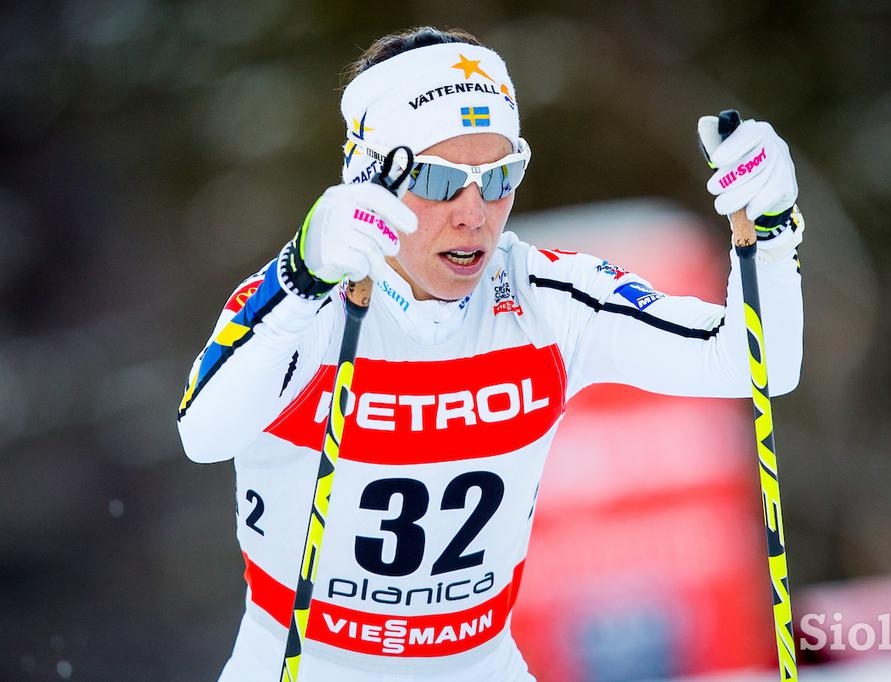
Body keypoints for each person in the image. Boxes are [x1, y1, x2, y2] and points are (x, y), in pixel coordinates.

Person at [177, 25, 804, 682]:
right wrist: (302, 275)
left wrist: (772, 230)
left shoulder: (547, 299)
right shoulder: (303, 303)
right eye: (442, 181)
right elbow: (204, 432)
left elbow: (755, 364)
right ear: (372, 177)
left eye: (500, 176)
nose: (475, 214)